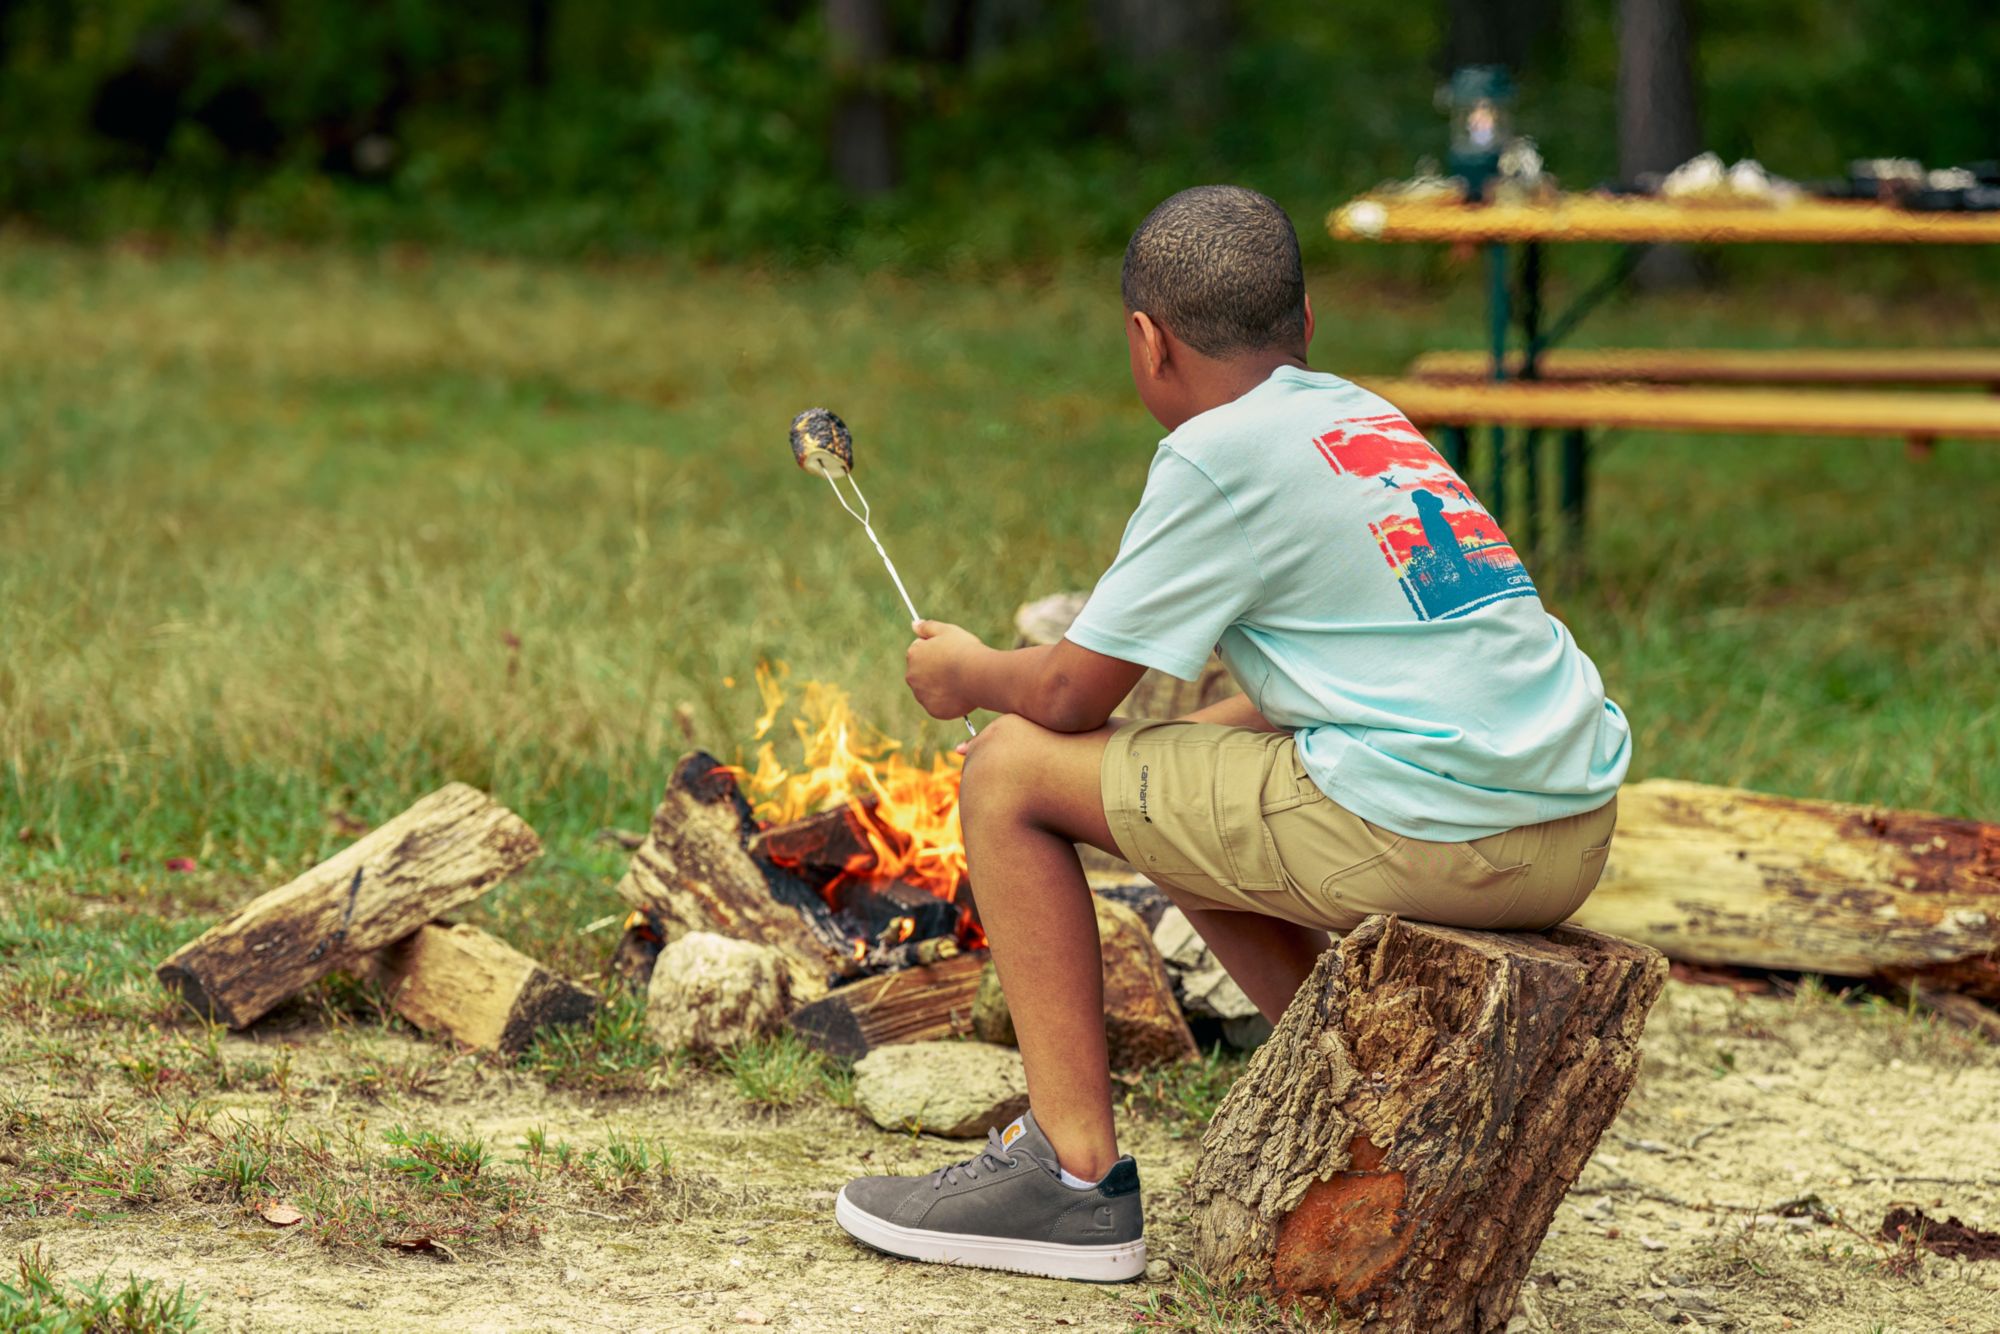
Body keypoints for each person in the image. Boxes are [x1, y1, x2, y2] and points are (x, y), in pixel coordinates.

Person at [832, 185, 1631, 1283]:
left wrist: (964, 671)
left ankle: (1070, 1179)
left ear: (1146, 341)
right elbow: (1350, 673)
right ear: (1304, 324)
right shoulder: (1362, 424)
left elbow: (1063, 694)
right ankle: (1360, 1102)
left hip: (1439, 833)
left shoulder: (1217, 452)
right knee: (1172, 800)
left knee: (1008, 769)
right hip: (1567, 828)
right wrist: (1141, 763)